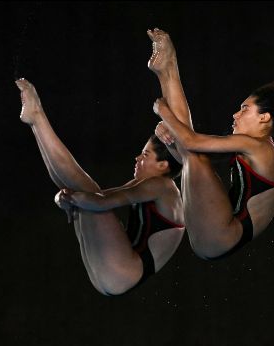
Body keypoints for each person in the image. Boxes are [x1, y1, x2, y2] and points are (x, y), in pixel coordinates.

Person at [15, 78, 185, 296]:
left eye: (145, 155)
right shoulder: (152, 186)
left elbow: (102, 201)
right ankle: (35, 122)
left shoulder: (163, 187)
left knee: (85, 189)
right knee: (81, 193)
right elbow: (95, 197)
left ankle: (37, 117)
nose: (137, 158)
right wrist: (66, 199)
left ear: (163, 165)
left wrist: (70, 198)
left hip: (122, 271)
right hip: (113, 276)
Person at [147, 28, 274, 260]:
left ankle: (168, 70)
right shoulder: (257, 147)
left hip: (222, 236)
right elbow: (186, 156)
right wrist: (169, 135)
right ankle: (167, 71)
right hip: (215, 238)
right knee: (193, 157)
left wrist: (164, 112)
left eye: (244, 109)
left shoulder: (260, 147)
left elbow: (191, 142)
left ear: (264, 117)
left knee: (194, 152)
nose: (235, 115)